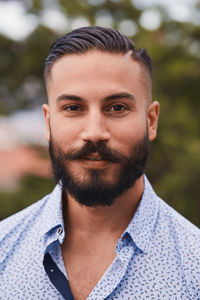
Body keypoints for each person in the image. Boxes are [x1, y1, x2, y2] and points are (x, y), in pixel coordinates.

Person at [0, 26, 199, 300]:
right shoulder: (3, 249)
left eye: (117, 107)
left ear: (151, 121)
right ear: (48, 123)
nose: (94, 131)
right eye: (73, 108)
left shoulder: (195, 268)